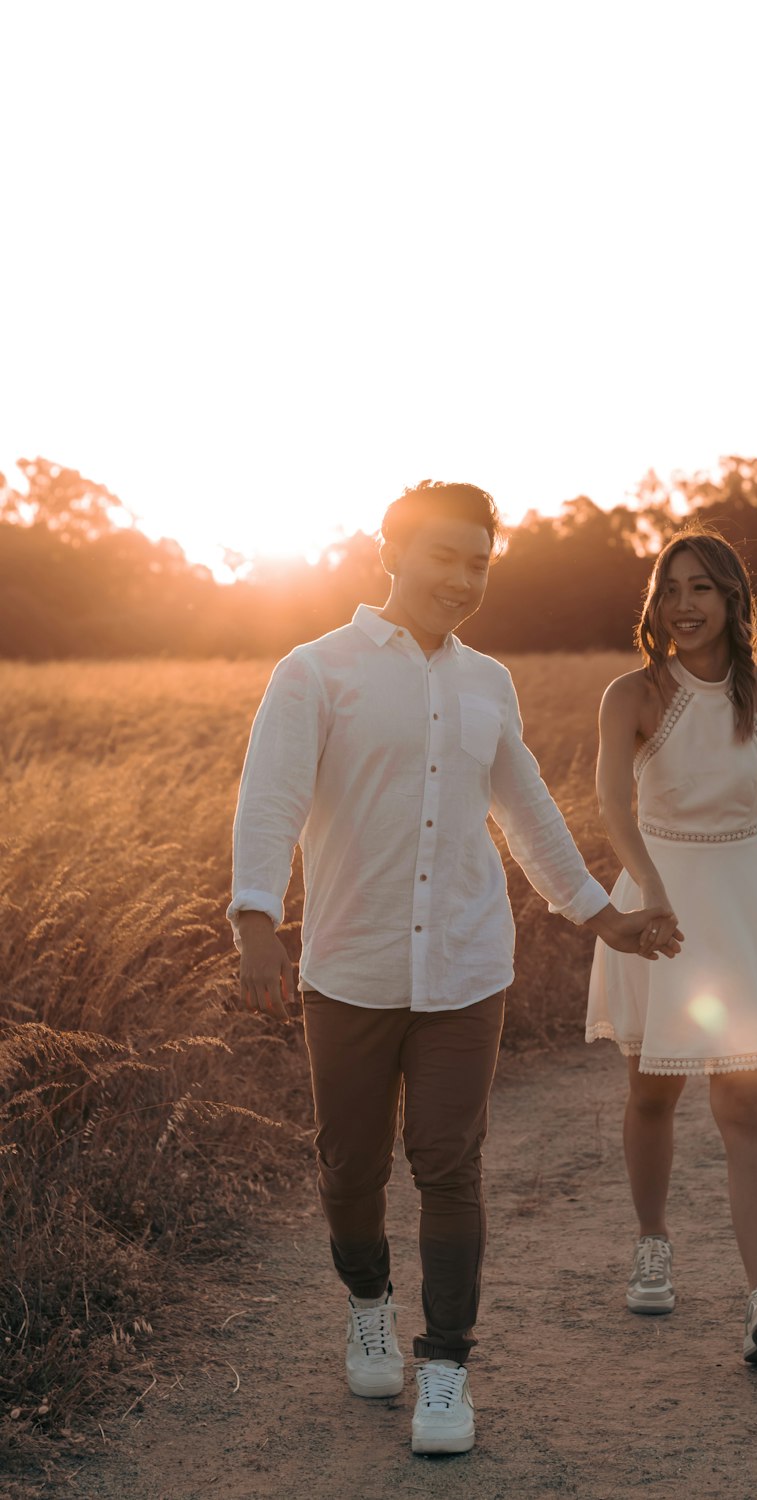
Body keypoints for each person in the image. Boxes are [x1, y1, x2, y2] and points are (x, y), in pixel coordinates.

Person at [228, 480, 681, 1456]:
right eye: (446, 556)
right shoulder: (315, 671)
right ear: (392, 551)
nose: (464, 578)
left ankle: (445, 1368)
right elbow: (269, 797)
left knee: (449, 1164)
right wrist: (255, 911)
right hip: (348, 967)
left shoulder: (488, 682)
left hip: (468, 968)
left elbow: (524, 811)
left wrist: (603, 916)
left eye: (480, 563)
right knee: (349, 1168)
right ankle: (368, 1300)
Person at [586, 523, 757, 1366]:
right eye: (669, 590)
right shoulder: (630, 695)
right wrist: (653, 895)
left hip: (742, 900)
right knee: (653, 1093)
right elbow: (611, 807)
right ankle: (653, 1242)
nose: (683, 605)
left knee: (746, 1104)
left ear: (734, 596)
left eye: (700, 587)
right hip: (656, 904)